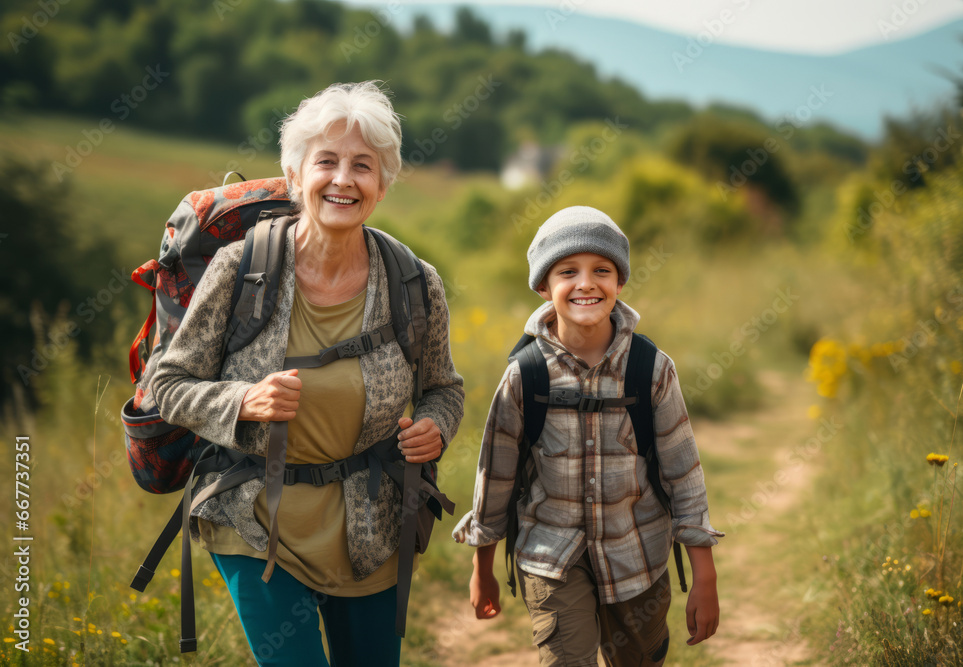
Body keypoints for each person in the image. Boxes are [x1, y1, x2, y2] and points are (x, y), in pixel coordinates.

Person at [150, 81, 464, 666]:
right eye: (326, 161)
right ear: (295, 176)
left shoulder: (415, 282)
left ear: (383, 184)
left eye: (363, 166)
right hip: (252, 517)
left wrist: (434, 426)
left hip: (370, 529)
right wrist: (244, 400)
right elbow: (167, 385)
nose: (343, 179)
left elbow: (444, 388)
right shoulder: (241, 267)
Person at [452, 206, 723, 666]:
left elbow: (683, 473)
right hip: (551, 557)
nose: (585, 284)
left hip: (637, 554)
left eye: (602, 270)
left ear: (620, 282)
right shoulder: (525, 376)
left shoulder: (650, 369)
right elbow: (495, 477)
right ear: (544, 285)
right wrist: (483, 569)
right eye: (567, 271)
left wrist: (705, 576)